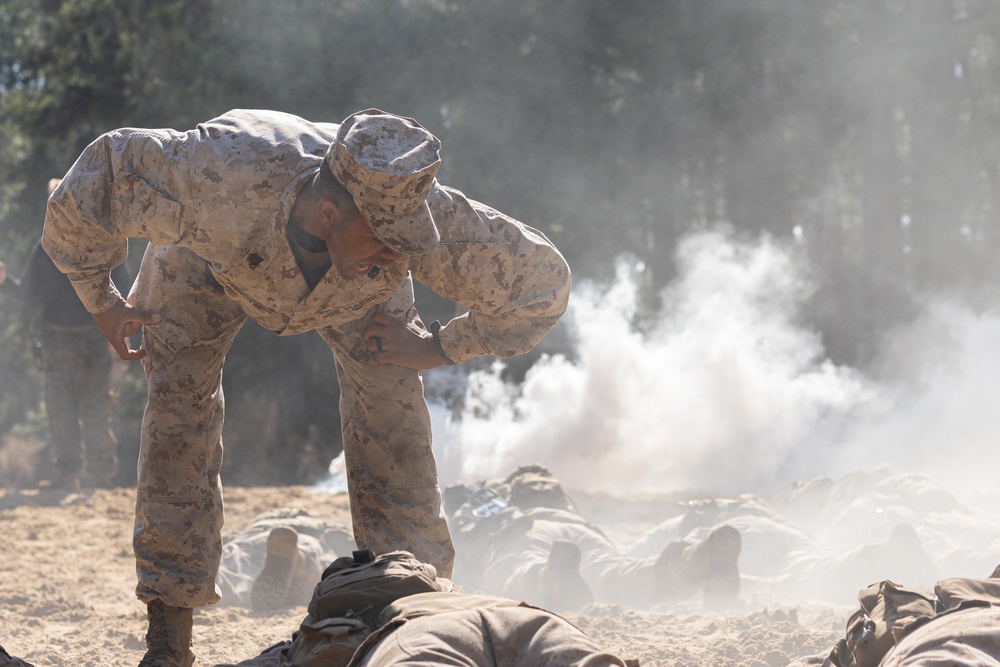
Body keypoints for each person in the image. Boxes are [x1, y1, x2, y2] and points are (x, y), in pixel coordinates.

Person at [41, 108, 571, 667]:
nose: (401, 253)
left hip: (359, 296)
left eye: (406, 240)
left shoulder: (418, 221)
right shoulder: (218, 173)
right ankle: (168, 631)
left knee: (394, 419)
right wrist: (100, 300)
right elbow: (95, 178)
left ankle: (414, 613)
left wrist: (440, 346)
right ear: (328, 212)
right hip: (203, 259)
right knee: (179, 412)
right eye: (386, 239)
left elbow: (542, 282)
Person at [446, 466, 743, 612]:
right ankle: (689, 561)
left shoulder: (502, 492)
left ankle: (547, 579)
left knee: (522, 565)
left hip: (529, 529)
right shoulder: (564, 499)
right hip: (585, 533)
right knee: (617, 572)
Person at [0, 179, 132, 490]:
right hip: (55, 338)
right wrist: (5, 283)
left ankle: (101, 478)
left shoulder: (105, 240)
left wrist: (120, 340)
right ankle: (67, 476)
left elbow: (124, 296)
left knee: (96, 407)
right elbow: (30, 294)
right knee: (60, 409)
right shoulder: (46, 246)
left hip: (95, 337)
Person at [214, 508, 355, 611]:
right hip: (301, 538)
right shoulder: (320, 525)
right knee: (323, 561)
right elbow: (345, 540)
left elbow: (230, 538)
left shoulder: (260, 522)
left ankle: (216, 580)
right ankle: (302, 562)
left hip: (253, 536)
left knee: (236, 558)